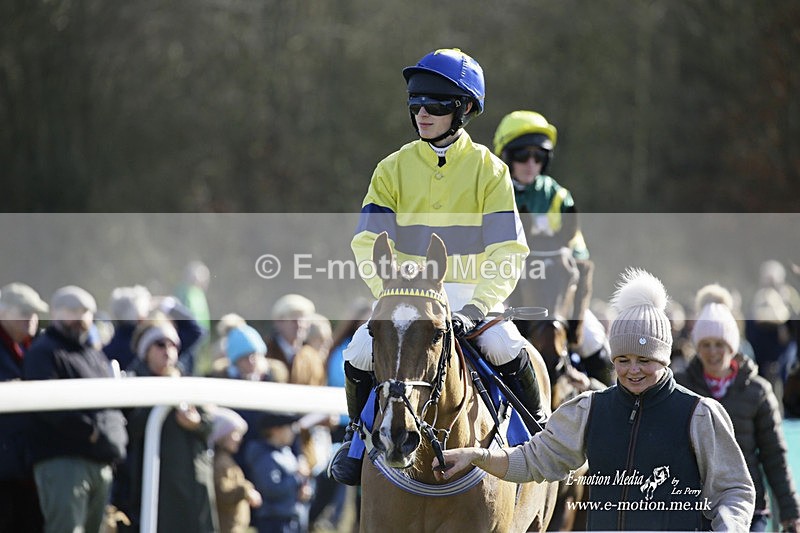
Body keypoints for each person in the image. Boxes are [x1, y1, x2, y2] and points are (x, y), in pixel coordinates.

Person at [329, 48, 547, 487]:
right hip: (406, 293)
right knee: (358, 352)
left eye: (434, 104)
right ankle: (355, 439)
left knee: (506, 345)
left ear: (463, 108)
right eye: (415, 104)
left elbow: (508, 251)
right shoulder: (391, 168)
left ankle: (540, 437)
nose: (422, 113)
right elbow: (367, 242)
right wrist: (391, 291)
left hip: (471, 296)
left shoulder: (490, 170)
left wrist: (478, 307)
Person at [434, 269, 755, 531]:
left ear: (664, 359)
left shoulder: (700, 415)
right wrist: (477, 456)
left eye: (644, 360)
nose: (633, 370)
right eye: (623, 360)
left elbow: (735, 490)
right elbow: (534, 460)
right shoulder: (589, 410)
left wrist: (729, 527)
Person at [494, 110, 613, 385]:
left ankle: (611, 398)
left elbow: (577, 246)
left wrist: (570, 257)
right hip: (502, 289)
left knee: (597, 345)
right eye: (522, 155)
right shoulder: (491, 190)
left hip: (552, 294)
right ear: (507, 156)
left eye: (539, 157)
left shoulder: (557, 196)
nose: (531, 164)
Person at [675, 283, 800, 532]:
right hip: (696, 507)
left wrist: (790, 511)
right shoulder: (681, 387)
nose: (713, 352)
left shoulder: (757, 391)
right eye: (706, 344)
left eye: (719, 344)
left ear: (731, 346)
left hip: (749, 507)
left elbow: (774, 456)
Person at [22, 285, 128, 533]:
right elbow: (47, 405)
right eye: (72, 310)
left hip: (100, 462)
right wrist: (91, 432)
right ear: (55, 312)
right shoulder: (43, 352)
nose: (80, 318)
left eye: (86, 312)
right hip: (64, 463)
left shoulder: (94, 355)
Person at [120, 317, 219, 533]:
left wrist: (196, 423)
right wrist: (162, 397)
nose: (168, 351)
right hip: (156, 487)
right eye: (160, 345)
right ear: (145, 350)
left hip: (193, 483)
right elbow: (129, 428)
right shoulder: (132, 382)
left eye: (173, 345)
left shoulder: (186, 380)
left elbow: (209, 425)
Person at [0, 282, 48, 532]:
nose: (31, 318)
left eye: (35, 312)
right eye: (24, 312)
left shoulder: (38, 347)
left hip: (29, 465)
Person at [244, 413, 313, 533]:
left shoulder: (286, 452)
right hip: (274, 521)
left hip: (291, 518)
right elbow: (270, 488)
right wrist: (298, 477)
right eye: (289, 427)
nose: (293, 432)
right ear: (275, 430)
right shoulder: (265, 456)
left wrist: (304, 489)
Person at [209, 407, 262, 533]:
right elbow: (222, 493)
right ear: (221, 434)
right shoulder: (220, 463)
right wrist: (246, 490)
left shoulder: (227, 460)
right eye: (235, 434)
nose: (240, 439)